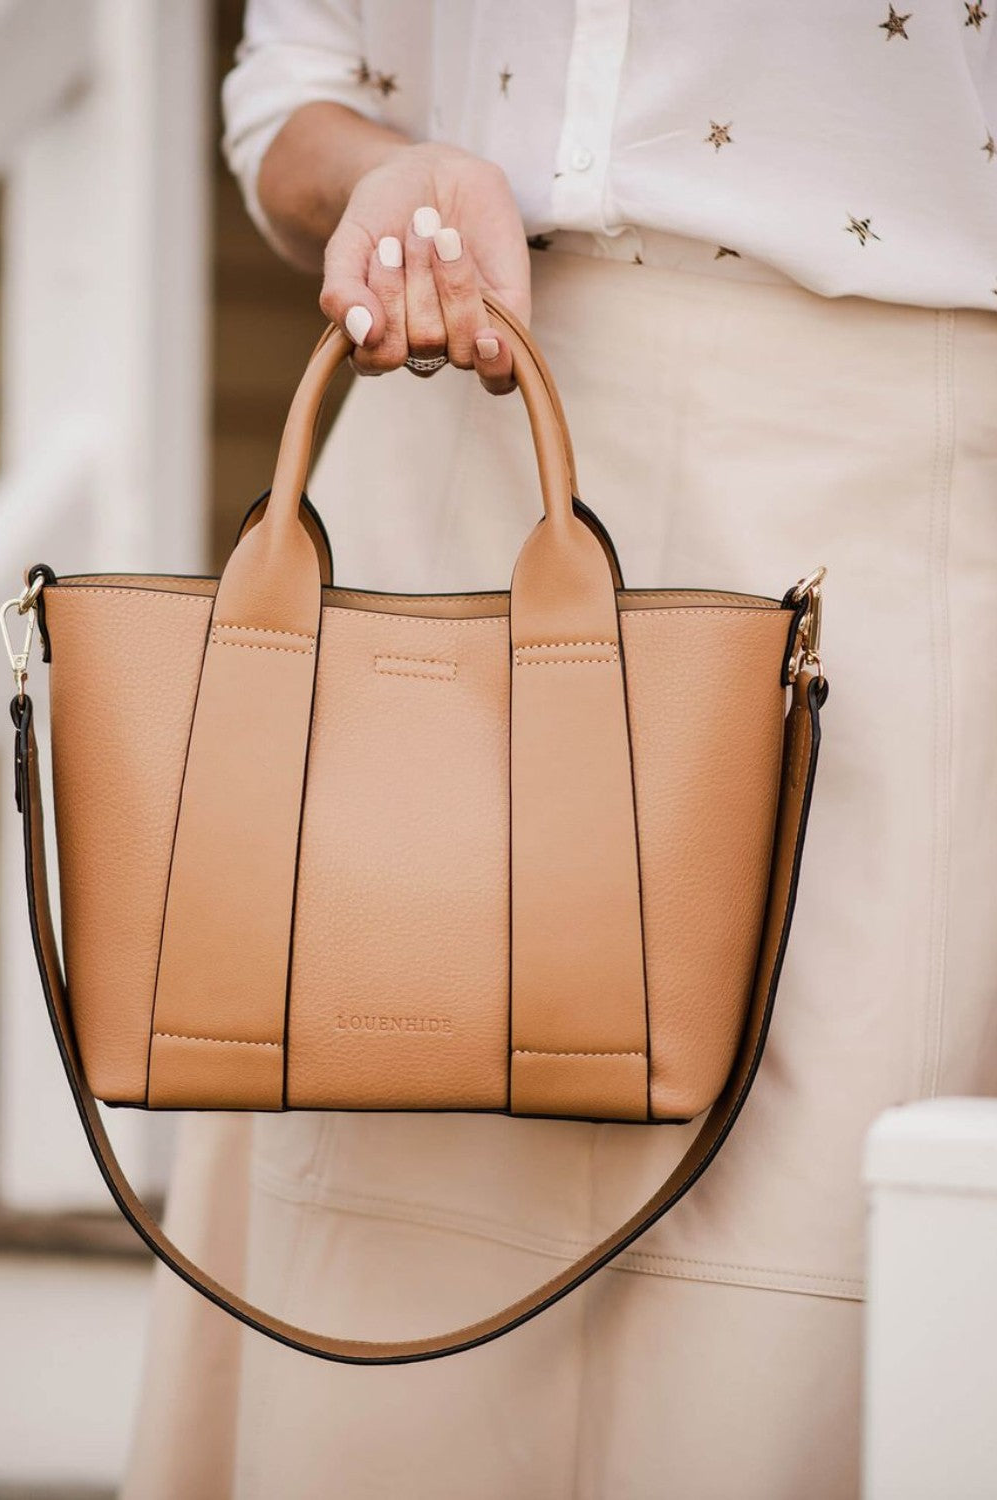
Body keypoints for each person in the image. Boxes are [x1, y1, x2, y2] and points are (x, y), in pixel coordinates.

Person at [122, 4, 997, 1497]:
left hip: (887, 493)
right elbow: (293, 95)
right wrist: (385, 183)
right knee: (383, 1249)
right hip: (449, 433)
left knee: (804, 1287)